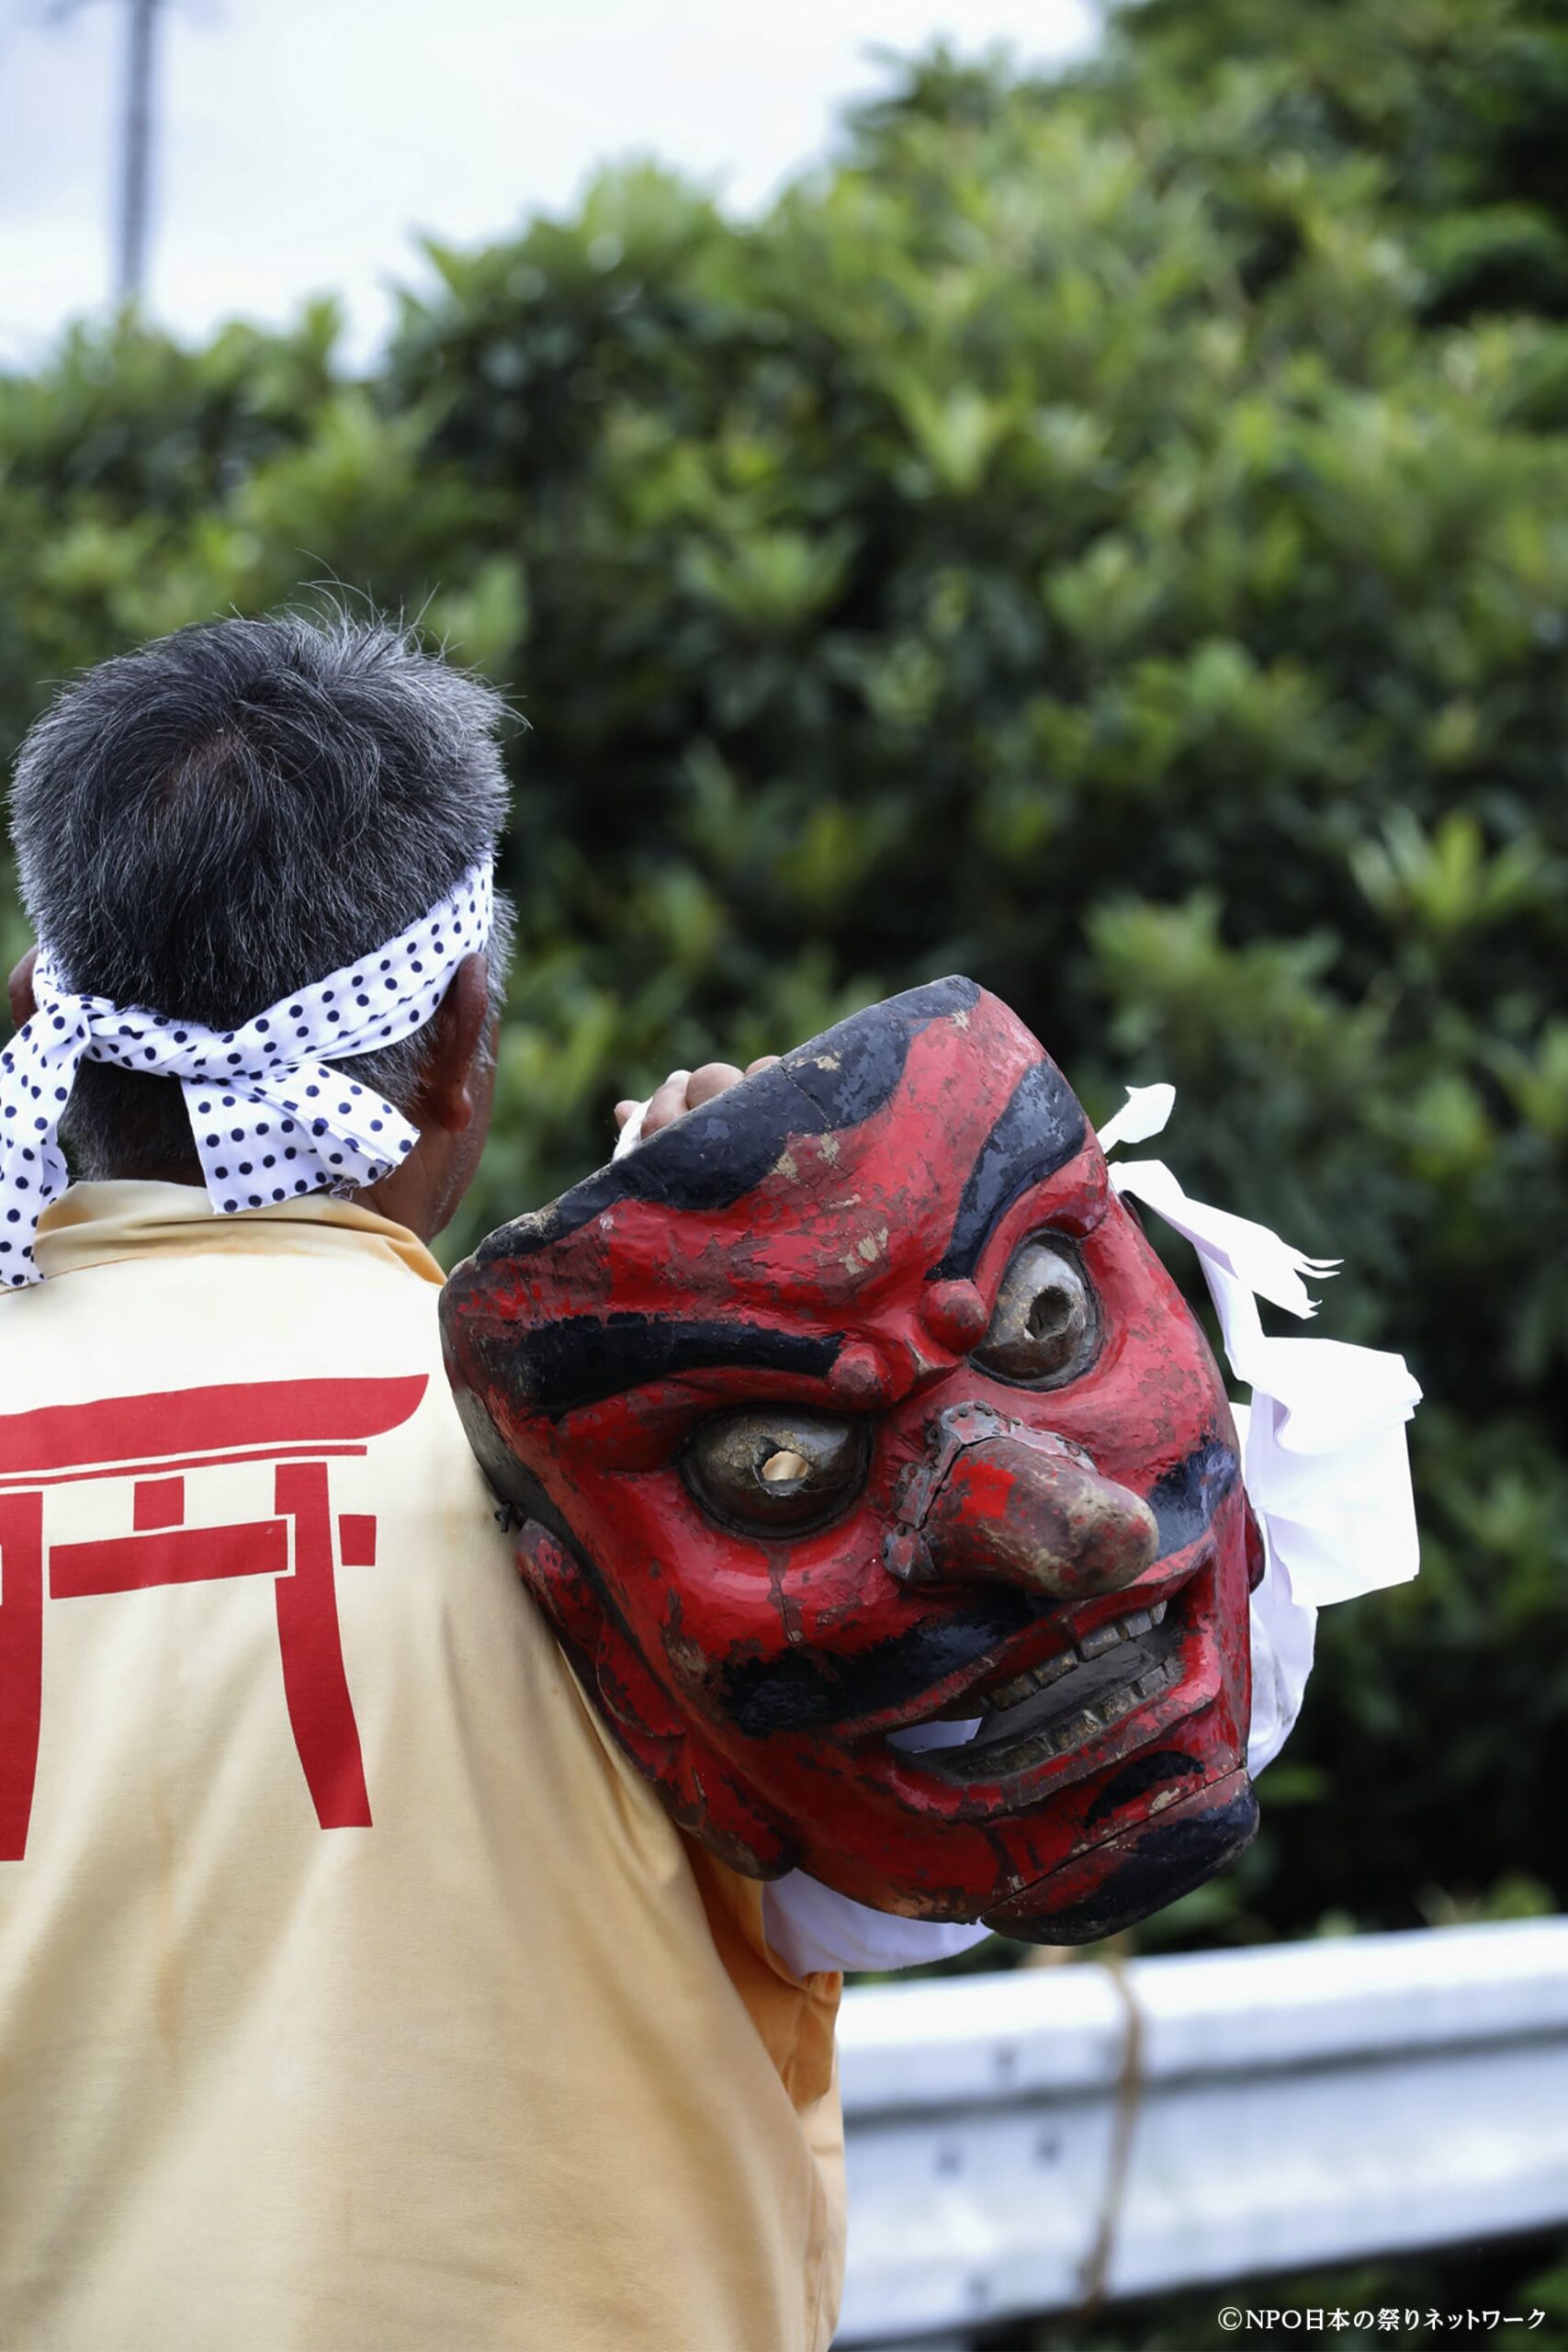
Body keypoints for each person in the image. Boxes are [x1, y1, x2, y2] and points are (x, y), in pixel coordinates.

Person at [0, 612, 853, 2352]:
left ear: (39, 1021)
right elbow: (991, 1836)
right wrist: (791, 1324)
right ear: (463, 1036)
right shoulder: (631, 1464)